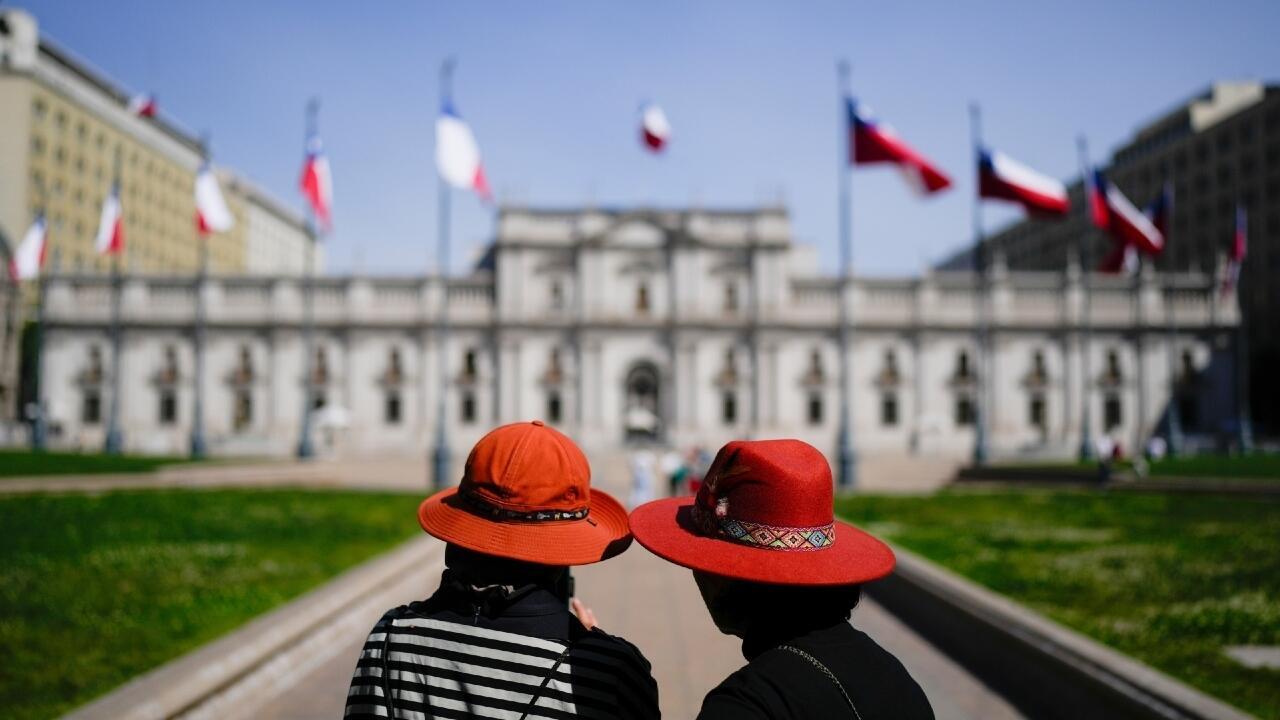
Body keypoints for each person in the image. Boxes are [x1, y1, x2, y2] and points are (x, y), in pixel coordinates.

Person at [345, 420, 659, 719]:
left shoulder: (389, 640)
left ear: (459, 537)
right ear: (561, 556)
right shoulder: (612, 671)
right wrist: (592, 646)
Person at [630, 439, 934, 719]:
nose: (697, 577)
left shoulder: (745, 706)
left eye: (702, 562)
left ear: (727, 577)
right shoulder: (898, 679)